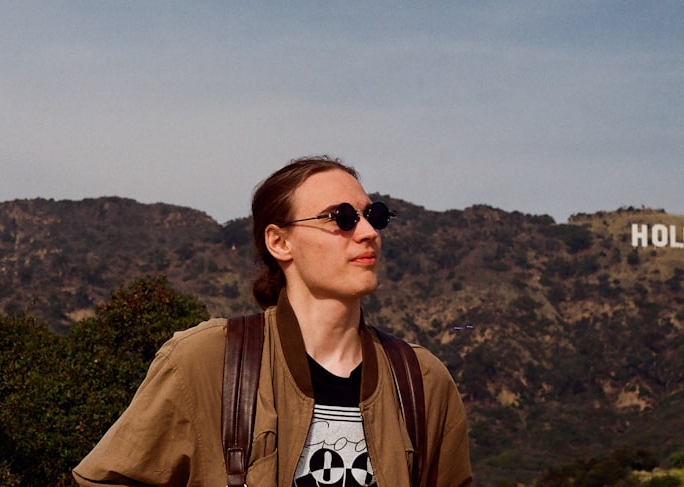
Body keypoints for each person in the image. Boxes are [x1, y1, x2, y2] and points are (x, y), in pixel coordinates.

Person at [73, 155, 472, 486]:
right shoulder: (206, 361)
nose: (367, 232)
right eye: (342, 218)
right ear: (279, 242)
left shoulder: (422, 382)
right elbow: (106, 481)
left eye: (374, 215)